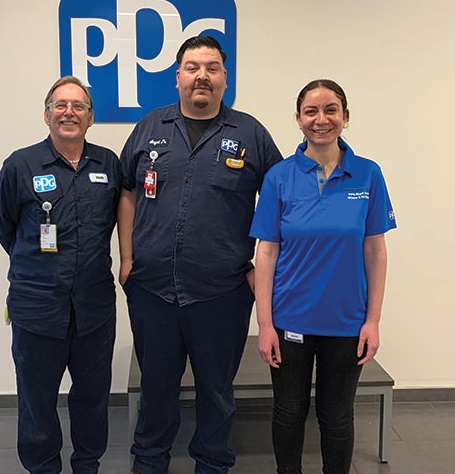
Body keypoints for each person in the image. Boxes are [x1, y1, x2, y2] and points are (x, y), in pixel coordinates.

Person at [118, 35, 282, 474]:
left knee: (215, 390)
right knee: (155, 387)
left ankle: (212, 463)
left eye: (212, 68)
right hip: (152, 289)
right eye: (193, 67)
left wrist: (261, 270)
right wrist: (127, 257)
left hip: (222, 292)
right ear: (177, 78)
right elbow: (128, 192)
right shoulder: (150, 127)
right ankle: (149, 463)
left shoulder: (250, 133)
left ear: (224, 79)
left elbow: (279, 200)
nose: (202, 76)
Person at [250, 79, 396, 474]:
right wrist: (265, 325)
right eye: (311, 111)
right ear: (298, 119)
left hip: (347, 321)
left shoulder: (368, 175)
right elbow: (266, 252)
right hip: (290, 320)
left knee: (336, 415)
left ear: (345, 118)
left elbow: (375, 250)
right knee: (289, 411)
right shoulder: (279, 177)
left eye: (331, 110)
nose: (321, 119)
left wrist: (373, 320)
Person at [0, 76, 121, 474]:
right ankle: (43, 467)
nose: (69, 112)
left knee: (93, 397)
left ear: (90, 118)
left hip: (94, 309)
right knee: (37, 399)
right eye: (60, 105)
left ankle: (87, 464)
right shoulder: (20, 164)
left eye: (78, 106)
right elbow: (3, 225)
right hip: (37, 308)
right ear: (47, 114)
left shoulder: (108, 164)